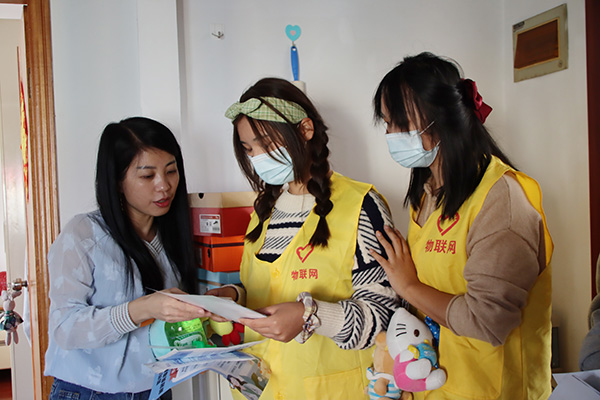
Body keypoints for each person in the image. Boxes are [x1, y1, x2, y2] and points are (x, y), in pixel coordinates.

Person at [369, 52, 553, 400]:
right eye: (387, 123)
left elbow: (488, 321)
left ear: (442, 117)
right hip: (437, 386)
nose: (391, 134)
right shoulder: (429, 193)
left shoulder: (502, 201)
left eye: (399, 122)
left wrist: (407, 286)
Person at [210, 77, 401, 399]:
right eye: (249, 149)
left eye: (265, 143)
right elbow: (267, 287)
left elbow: (384, 316)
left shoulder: (361, 206)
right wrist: (233, 296)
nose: (257, 157)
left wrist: (311, 316)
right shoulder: (264, 210)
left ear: (305, 130)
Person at [44, 117, 209, 400]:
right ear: (118, 181)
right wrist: (140, 309)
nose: (164, 186)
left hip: (155, 390)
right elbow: (65, 328)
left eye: (171, 171)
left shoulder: (175, 234)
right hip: (89, 393)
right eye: (147, 176)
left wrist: (218, 301)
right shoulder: (84, 234)